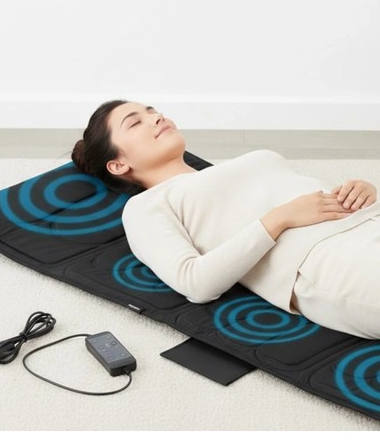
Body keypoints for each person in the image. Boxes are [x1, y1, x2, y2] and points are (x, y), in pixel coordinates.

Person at [72, 99, 380, 339]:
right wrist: (280, 218)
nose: (157, 117)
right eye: (135, 122)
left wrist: (361, 193)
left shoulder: (245, 163)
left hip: (367, 223)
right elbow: (195, 283)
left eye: (153, 111)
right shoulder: (146, 206)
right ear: (118, 164)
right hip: (325, 261)